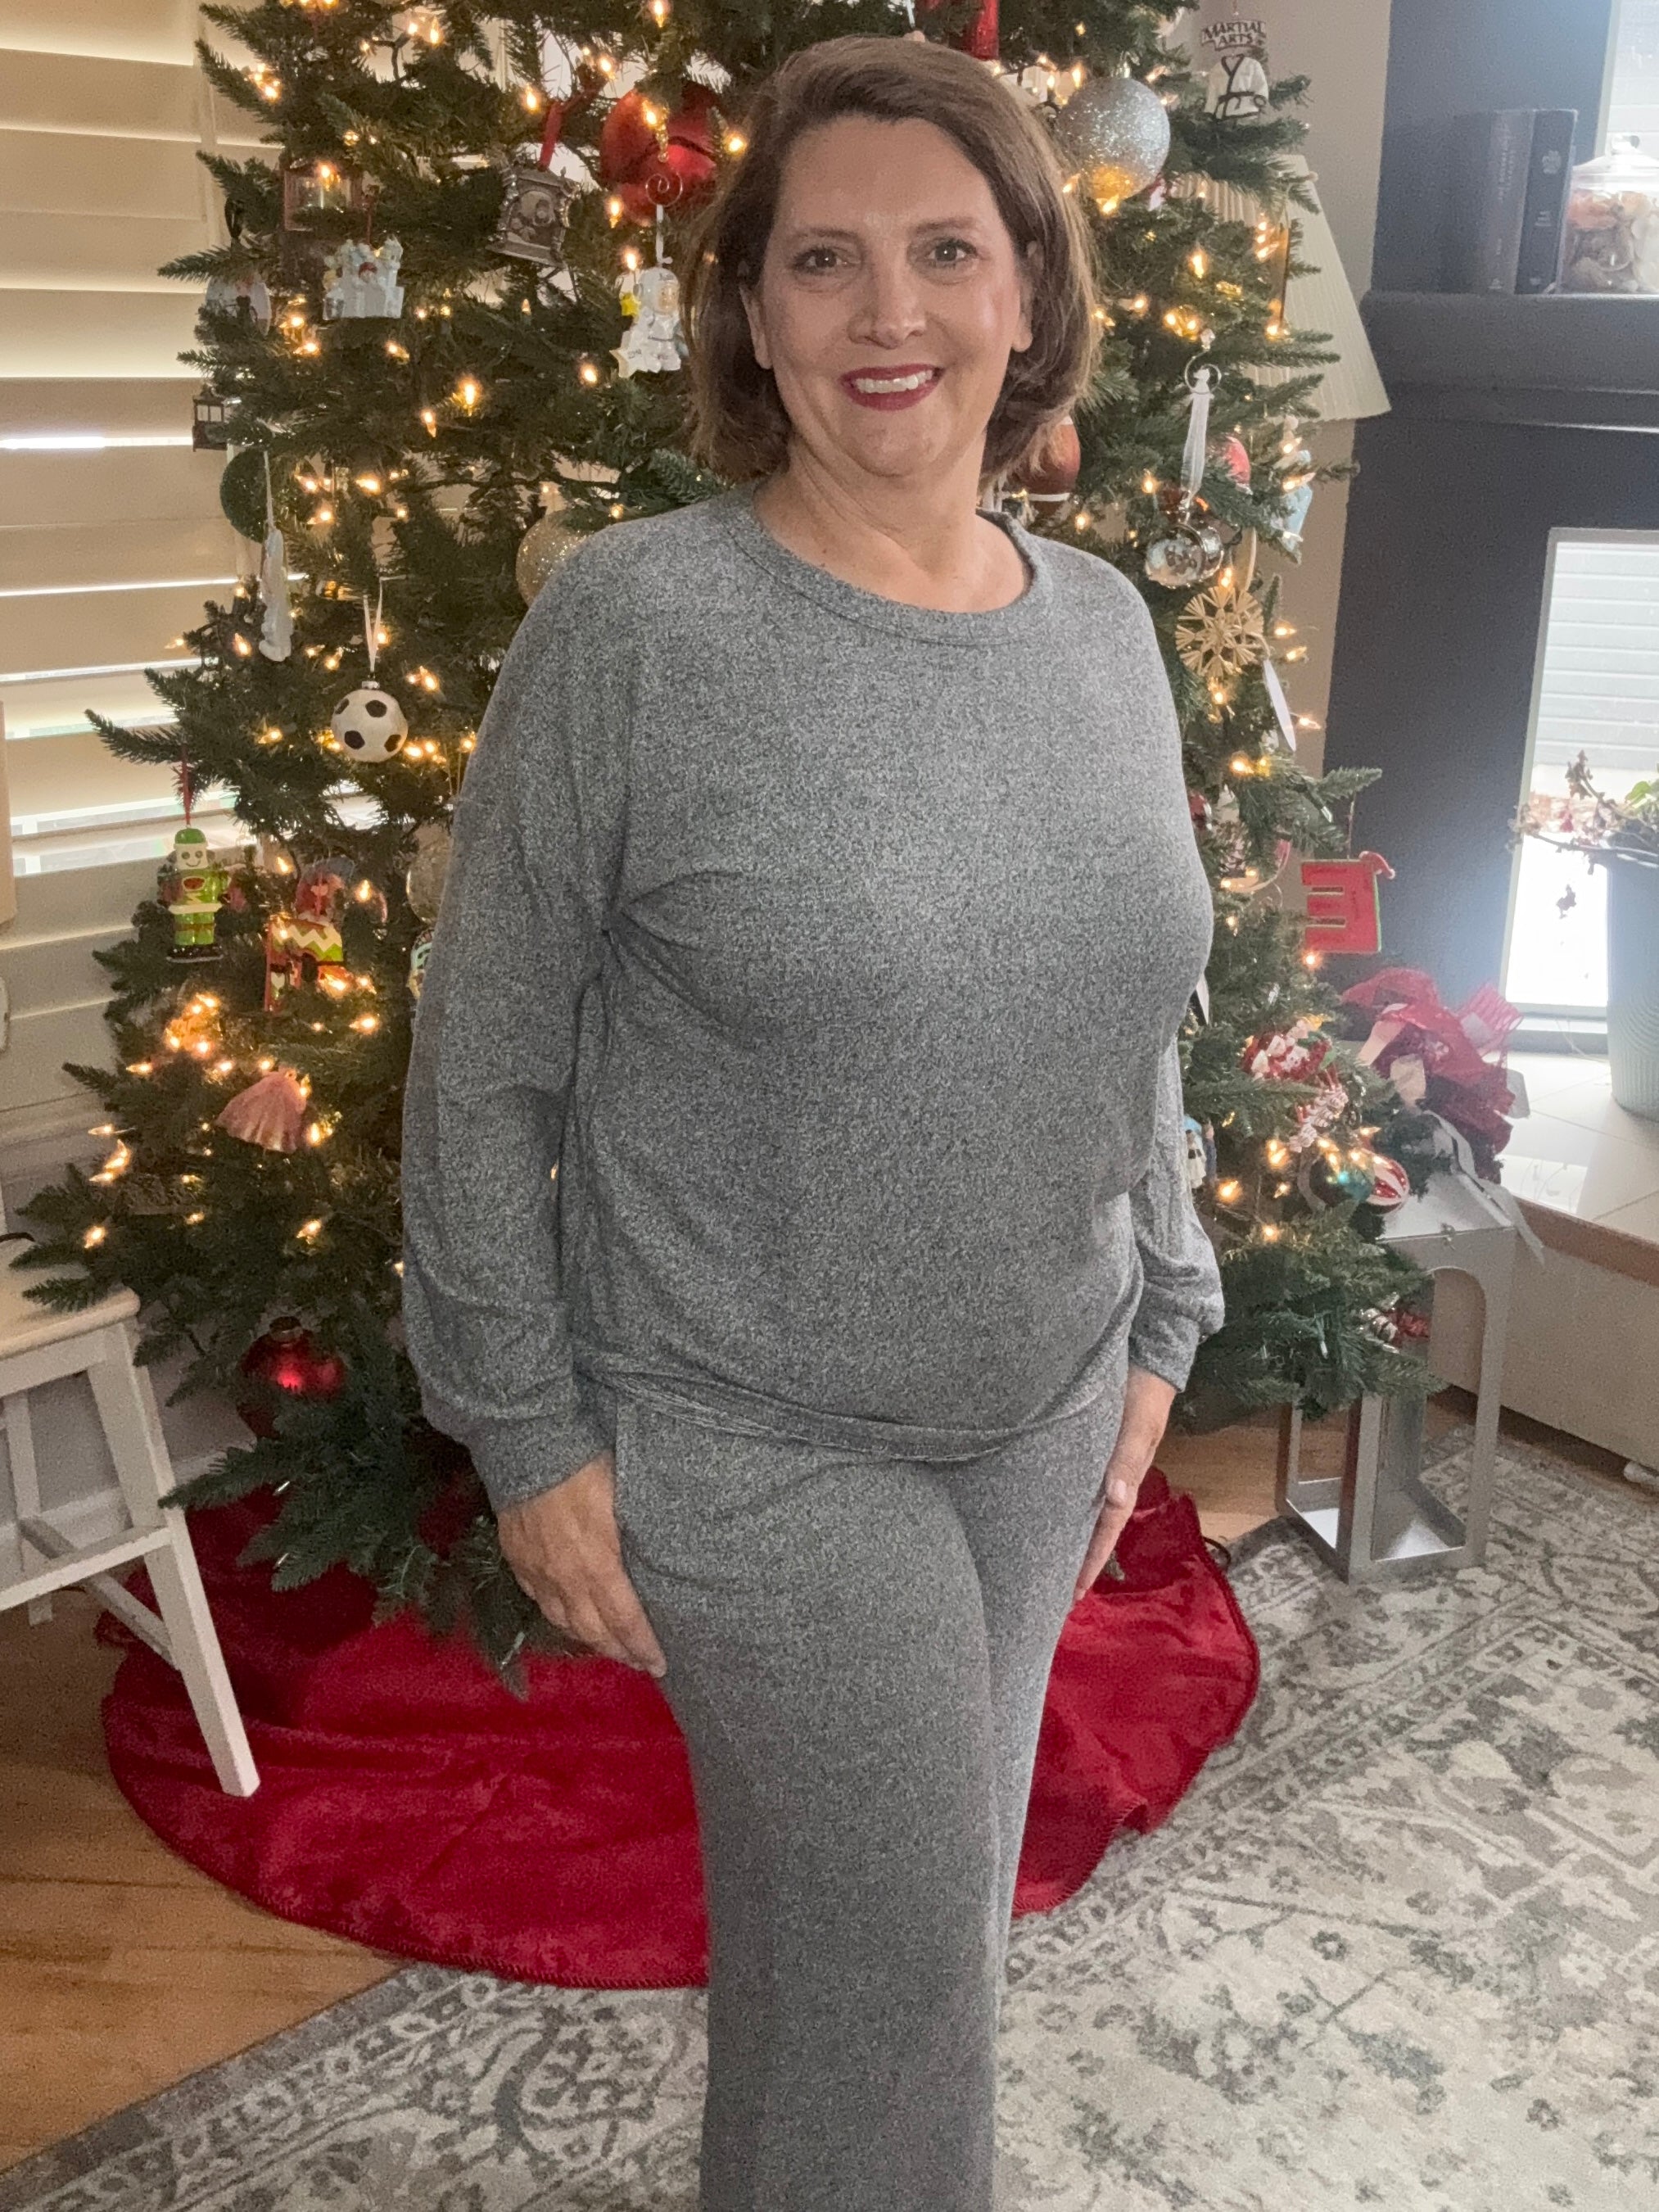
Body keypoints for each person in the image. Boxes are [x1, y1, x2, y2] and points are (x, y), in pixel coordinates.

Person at [401, 33, 1224, 2212]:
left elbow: (1139, 998)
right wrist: (527, 1430)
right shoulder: (637, 626)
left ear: (1027, 292)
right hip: (756, 1437)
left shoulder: (1108, 629)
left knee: (892, 1939)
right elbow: (487, 1055)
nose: (891, 317)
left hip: (1040, 1411)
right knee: (893, 1962)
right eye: (824, 262)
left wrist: (1161, 1304)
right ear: (748, 314)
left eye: (946, 253)